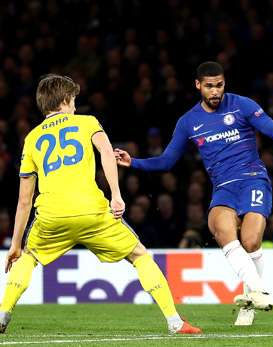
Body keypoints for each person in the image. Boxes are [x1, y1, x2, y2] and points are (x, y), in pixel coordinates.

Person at [1, 74, 201, 335]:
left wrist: (16, 243)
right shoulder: (87, 122)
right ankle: (175, 322)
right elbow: (107, 152)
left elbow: (24, 200)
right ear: (64, 100)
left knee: (28, 256)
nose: (75, 106)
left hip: (52, 216)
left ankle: (3, 314)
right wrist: (117, 195)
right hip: (92, 211)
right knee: (139, 255)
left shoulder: (31, 138)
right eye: (73, 100)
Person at [114, 61, 273, 326]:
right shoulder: (188, 122)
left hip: (253, 180)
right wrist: (134, 162)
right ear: (198, 85)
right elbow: (166, 161)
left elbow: (268, 125)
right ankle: (257, 292)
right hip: (223, 188)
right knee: (221, 229)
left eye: (219, 85)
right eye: (209, 86)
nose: (215, 91)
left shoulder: (241, 104)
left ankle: (251, 298)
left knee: (252, 241)